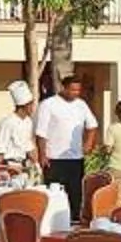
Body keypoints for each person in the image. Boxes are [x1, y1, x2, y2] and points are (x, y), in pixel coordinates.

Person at [34, 72, 97, 218]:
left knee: (75, 194)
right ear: (64, 88)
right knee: (54, 196)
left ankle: (74, 223)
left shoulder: (81, 105)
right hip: (54, 158)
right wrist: (42, 154)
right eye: (72, 90)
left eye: (78, 90)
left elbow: (92, 126)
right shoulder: (48, 104)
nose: (75, 93)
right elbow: (41, 133)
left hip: (76, 159)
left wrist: (88, 143)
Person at [0, 80, 36, 162]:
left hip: (23, 163)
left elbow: (28, 145)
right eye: (31, 105)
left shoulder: (28, 122)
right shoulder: (7, 122)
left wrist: (35, 163)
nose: (33, 108)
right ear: (24, 106)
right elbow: (1, 148)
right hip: (10, 164)